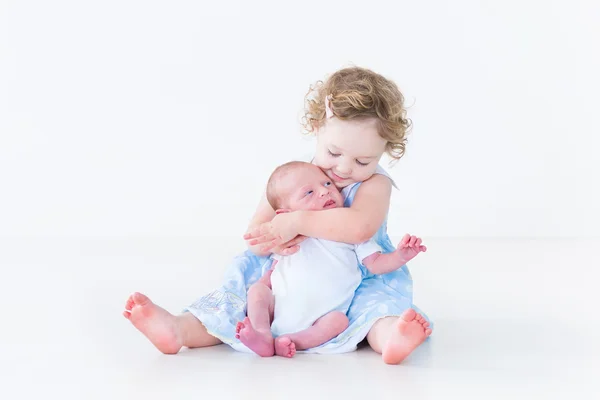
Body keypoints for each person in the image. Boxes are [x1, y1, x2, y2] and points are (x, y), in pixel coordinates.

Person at [124, 66, 433, 364]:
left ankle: (392, 338)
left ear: (383, 151)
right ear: (316, 128)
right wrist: (273, 242)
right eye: (334, 153)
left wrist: (297, 221)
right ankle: (179, 329)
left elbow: (359, 228)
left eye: (363, 161)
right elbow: (255, 236)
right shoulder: (293, 173)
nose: (343, 169)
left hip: (354, 279)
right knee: (235, 299)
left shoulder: (374, 183)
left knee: (376, 309)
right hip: (282, 278)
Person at [236, 161, 428, 358]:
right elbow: (273, 271)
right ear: (286, 215)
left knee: (338, 321)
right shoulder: (292, 238)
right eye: (308, 192)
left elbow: (376, 265)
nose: (324, 191)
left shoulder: (346, 232)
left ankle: (296, 341)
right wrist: (261, 287)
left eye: (327, 184)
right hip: (280, 306)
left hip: (324, 315)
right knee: (257, 291)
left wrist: (400, 256)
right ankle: (262, 333)